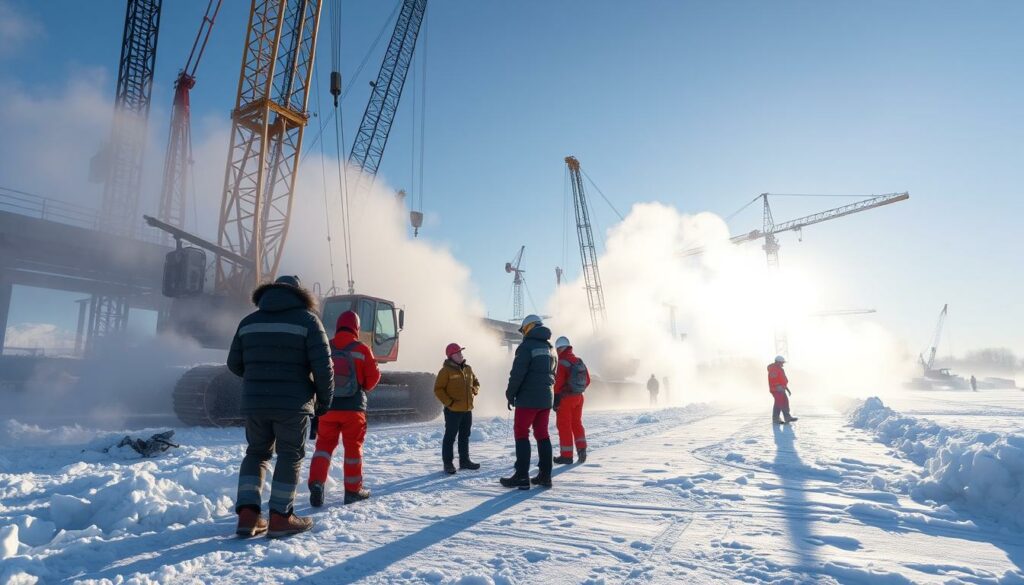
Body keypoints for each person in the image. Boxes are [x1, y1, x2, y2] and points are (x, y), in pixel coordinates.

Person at [228, 275, 333, 538]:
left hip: (255, 404)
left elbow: (233, 363)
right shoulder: (309, 321)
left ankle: (248, 517)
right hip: (293, 405)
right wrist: (323, 401)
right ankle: (280, 518)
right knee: (289, 455)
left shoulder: (248, 322)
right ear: (300, 294)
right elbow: (324, 367)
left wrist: (259, 378)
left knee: (256, 454)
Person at [307, 310, 381, 507]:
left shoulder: (327, 346)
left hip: (328, 408)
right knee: (353, 449)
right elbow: (372, 379)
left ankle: (317, 483)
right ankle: (353, 491)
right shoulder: (362, 349)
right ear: (356, 327)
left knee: (323, 447)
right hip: (353, 410)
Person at [500, 314, 556, 489]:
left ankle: (522, 476)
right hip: (546, 399)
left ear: (528, 328)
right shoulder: (550, 348)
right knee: (543, 435)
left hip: (528, 399)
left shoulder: (526, 347)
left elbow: (517, 374)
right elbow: (554, 374)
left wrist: (510, 394)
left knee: (521, 433)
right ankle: (545, 476)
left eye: (523, 330)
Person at [434, 343, 481, 474]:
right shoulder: (445, 371)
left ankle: (464, 461)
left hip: (467, 410)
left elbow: (476, 382)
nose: (461, 354)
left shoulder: (468, 369)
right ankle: (448, 464)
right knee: (450, 437)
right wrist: (449, 403)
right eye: (458, 353)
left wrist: (475, 389)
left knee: (465, 436)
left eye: (461, 352)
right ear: (451, 356)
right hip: (453, 411)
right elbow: (438, 389)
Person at [553, 336, 590, 465]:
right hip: (579, 397)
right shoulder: (578, 361)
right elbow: (587, 381)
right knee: (576, 423)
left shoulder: (562, 362)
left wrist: (556, 398)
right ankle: (582, 450)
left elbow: (557, 384)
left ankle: (567, 456)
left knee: (564, 425)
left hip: (566, 399)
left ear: (559, 349)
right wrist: (577, 391)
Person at [768, 355, 798, 424]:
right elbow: (773, 379)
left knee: (784, 402)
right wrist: (778, 386)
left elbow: (782, 380)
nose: (783, 364)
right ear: (778, 362)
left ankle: (787, 417)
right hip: (776, 390)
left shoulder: (779, 368)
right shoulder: (774, 369)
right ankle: (776, 419)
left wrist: (786, 388)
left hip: (781, 389)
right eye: (782, 362)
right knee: (778, 403)